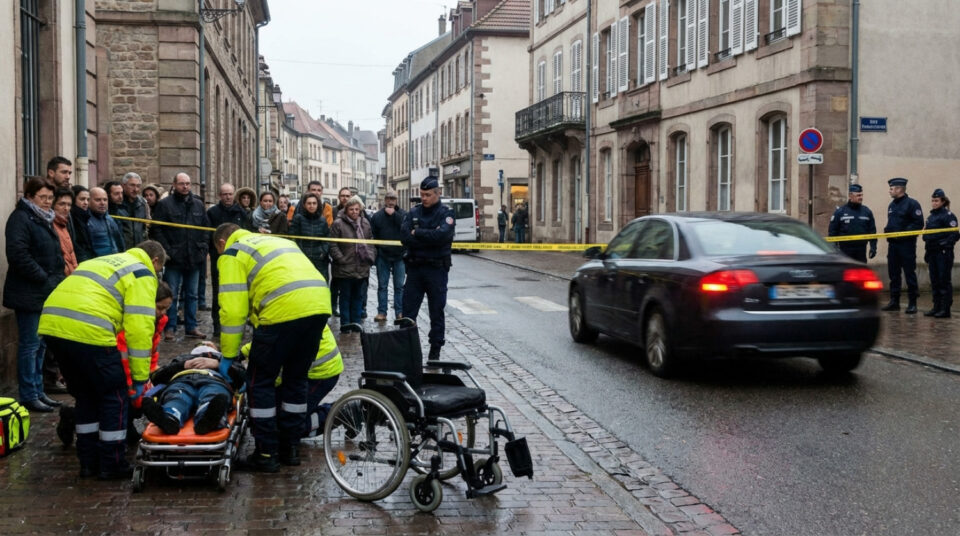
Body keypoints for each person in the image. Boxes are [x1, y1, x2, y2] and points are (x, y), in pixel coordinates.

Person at [39, 240, 167, 479]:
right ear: (155, 261)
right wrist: (140, 379)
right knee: (114, 396)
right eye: (158, 271)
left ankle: (87, 463)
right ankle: (112, 463)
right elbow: (139, 330)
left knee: (86, 395)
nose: (157, 275)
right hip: (90, 329)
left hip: (53, 325)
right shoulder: (142, 273)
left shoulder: (104, 261)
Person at [212, 222, 331, 471]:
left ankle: (266, 454)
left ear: (221, 243)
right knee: (296, 379)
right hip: (319, 306)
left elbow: (232, 311)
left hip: (281, 312)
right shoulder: (279, 241)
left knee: (261, 381)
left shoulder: (232, 253)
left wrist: (229, 355)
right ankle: (291, 448)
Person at [4, 178, 66, 413]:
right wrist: (43, 277)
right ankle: (29, 394)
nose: (48, 202)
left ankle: (39, 390)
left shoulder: (44, 219)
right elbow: (18, 254)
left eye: (51, 198)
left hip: (46, 292)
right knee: (30, 346)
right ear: (30, 197)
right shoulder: (21, 218)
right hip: (29, 292)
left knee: (40, 346)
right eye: (43, 198)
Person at [240, 322, 342, 442]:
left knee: (285, 425)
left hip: (320, 373)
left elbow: (272, 344)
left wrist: (241, 356)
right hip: (310, 369)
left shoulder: (283, 313)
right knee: (276, 417)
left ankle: (342, 413)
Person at [401, 175, 455, 360]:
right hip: (415, 269)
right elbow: (405, 237)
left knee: (436, 312)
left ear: (437, 194)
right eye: (422, 194)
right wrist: (427, 236)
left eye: (427, 195)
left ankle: (435, 349)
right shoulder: (414, 212)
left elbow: (442, 237)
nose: (423, 198)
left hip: (436, 270)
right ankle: (407, 350)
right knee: (408, 312)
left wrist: (419, 234)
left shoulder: (446, 214)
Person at [150, 172, 210, 340]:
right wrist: (168, 251)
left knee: (192, 295)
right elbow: (157, 229)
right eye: (182, 183)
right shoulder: (165, 204)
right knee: (172, 294)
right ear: (174, 185)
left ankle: (191, 326)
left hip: (194, 258)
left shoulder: (198, 204)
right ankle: (170, 327)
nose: (185, 186)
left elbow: (206, 229)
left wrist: (202, 249)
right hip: (174, 259)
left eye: (188, 183)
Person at [140, 343, 245, 435]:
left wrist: (218, 364)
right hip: (182, 380)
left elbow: (242, 376)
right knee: (177, 398)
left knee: (213, 395)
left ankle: (207, 418)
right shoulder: (181, 359)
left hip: (213, 380)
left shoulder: (224, 359)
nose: (204, 345)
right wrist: (182, 365)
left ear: (215, 349)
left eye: (208, 344)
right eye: (200, 344)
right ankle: (169, 418)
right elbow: (157, 377)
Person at [206, 183, 248, 337]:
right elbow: (208, 235)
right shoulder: (212, 213)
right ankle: (217, 325)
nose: (228, 197)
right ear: (219, 195)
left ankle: (238, 326)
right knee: (218, 293)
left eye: (230, 194)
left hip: (238, 259)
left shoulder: (241, 213)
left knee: (238, 293)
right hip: (219, 258)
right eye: (224, 194)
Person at [330, 196, 376, 332]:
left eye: (357, 209)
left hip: (361, 267)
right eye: (351, 209)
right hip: (344, 268)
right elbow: (332, 244)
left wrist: (371, 257)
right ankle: (345, 325)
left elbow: (371, 242)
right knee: (345, 298)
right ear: (346, 210)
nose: (354, 212)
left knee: (358, 297)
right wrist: (341, 259)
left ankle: (356, 324)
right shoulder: (338, 223)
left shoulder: (365, 223)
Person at [881, 177, 925, 313]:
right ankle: (895, 301)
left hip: (906, 245)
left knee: (909, 273)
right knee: (893, 274)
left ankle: (912, 303)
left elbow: (918, 224)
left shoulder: (912, 204)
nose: (890, 191)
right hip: (893, 245)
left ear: (900, 189)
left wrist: (902, 233)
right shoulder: (892, 205)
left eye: (891, 188)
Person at [922, 189, 960, 318]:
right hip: (932, 252)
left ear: (943, 201)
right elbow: (927, 235)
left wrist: (943, 244)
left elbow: (955, 234)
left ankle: (945, 309)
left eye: (936, 200)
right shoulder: (931, 217)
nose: (934, 203)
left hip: (943, 253)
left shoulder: (948, 216)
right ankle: (936, 306)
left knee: (944, 281)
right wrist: (927, 249)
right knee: (935, 281)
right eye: (932, 200)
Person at [370, 190, 406, 323]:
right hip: (383, 256)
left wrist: (395, 215)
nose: (391, 201)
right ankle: (382, 312)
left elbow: (405, 228)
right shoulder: (378, 216)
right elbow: (373, 235)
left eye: (393, 199)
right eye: (389, 199)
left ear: (397, 201)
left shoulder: (402, 214)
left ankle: (399, 312)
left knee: (399, 286)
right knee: (382, 286)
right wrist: (378, 251)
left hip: (399, 256)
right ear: (384, 200)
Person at [828, 184, 877, 263]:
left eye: (861, 195)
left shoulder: (867, 212)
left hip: (861, 250)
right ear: (850, 196)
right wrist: (834, 249)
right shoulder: (840, 212)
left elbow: (872, 231)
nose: (861, 197)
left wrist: (873, 247)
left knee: (861, 273)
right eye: (858, 195)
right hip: (845, 251)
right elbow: (832, 232)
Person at [290, 192, 331, 282]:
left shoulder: (322, 220)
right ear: (304, 205)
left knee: (320, 284)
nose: (311, 206)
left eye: (314, 203)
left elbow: (327, 238)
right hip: (303, 258)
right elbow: (293, 237)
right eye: (309, 203)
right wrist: (299, 252)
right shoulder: (298, 218)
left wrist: (323, 252)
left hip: (319, 260)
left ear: (318, 204)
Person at [329, 187, 354, 316]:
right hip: (337, 252)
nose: (345, 198)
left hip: (352, 254)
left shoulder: (355, 210)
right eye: (342, 195)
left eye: (347, 196)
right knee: (336, 281)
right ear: (339, 197)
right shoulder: (333, 211)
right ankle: (333, 305)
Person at [86, 187, 125, 257]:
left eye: (105, 200)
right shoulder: (86, 221)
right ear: (89, 201)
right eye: (98, 200)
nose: (102, 203)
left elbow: (119, 242)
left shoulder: (110, 219)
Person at [116, 172, 148, 249]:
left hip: (138, 248)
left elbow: (143, 228)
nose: (135, 189)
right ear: (123, 186)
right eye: (132, 185)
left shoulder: (142, 203)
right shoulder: (117, 203)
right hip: (122, 249)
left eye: (138, 186)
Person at [52, 189, 78, 275]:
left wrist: (75, 270)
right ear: (53, 204)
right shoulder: (50, 224)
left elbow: (71, 252)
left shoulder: (64, 223)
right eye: (62, 204)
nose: (66, 208)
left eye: (69, 205)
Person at [70, 185, 95, 262]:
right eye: (82, 199)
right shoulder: (71, 217)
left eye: (88, 199)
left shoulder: (86, 216)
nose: (86, 203)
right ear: (74, 200)